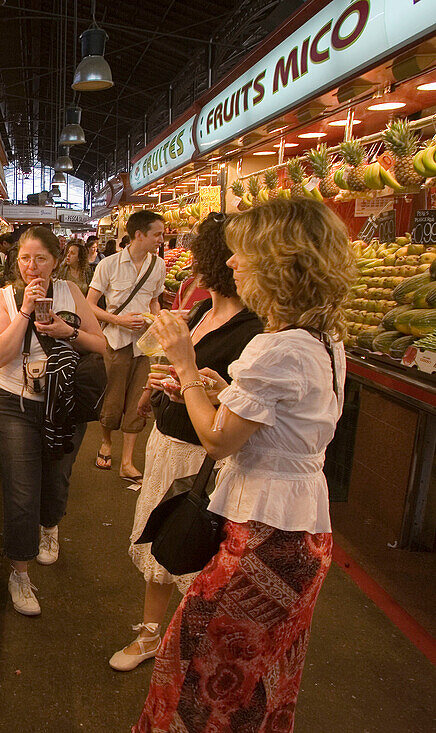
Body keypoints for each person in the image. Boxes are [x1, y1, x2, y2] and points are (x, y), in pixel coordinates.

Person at [133, 198, 352, 732]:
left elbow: (216, 440)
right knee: (259, 679)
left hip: (263, 534)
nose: (231, 264)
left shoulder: (274, 348)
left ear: (280, 262)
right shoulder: (323, 341)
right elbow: (285, 426)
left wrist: (186, 366)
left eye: (243, 253)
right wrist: (225, 390)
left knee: (197, 672)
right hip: (303, 530)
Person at [109, 213, 262, 672]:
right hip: (167, 445)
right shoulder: (198, 312)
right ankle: (151, 635)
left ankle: (191, 646)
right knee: (163, 547)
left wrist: (189, 377)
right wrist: (154, 394)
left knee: (198, 555)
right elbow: (185, 375)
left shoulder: (252, 331)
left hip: (204, 459)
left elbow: (230, 409)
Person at [0, 225, 106, 616]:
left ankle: (50, 527)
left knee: (57, 477)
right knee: (20, 491)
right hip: (14, 404)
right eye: (24, 258)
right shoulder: (2, 298)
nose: (31, 266)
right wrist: (23, 312)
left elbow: (100, 344)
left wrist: (66, 331)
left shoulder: (72, 294)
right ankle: (19, 572)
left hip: (64, 404)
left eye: (40, 258)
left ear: (56, 261)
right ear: (15, 261)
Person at [87, 211, 166, 480]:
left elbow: (155, 300)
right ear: (138, 235)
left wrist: (155, 319)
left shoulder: (159, 265)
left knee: (139, 400)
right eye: (157, 234)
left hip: (144, 345)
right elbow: (89, 305)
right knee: (112, 397)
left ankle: (128, 461)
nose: (161, 239)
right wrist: (117, 320)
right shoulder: (108, 265)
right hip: (115, 341)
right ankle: (106, 443)